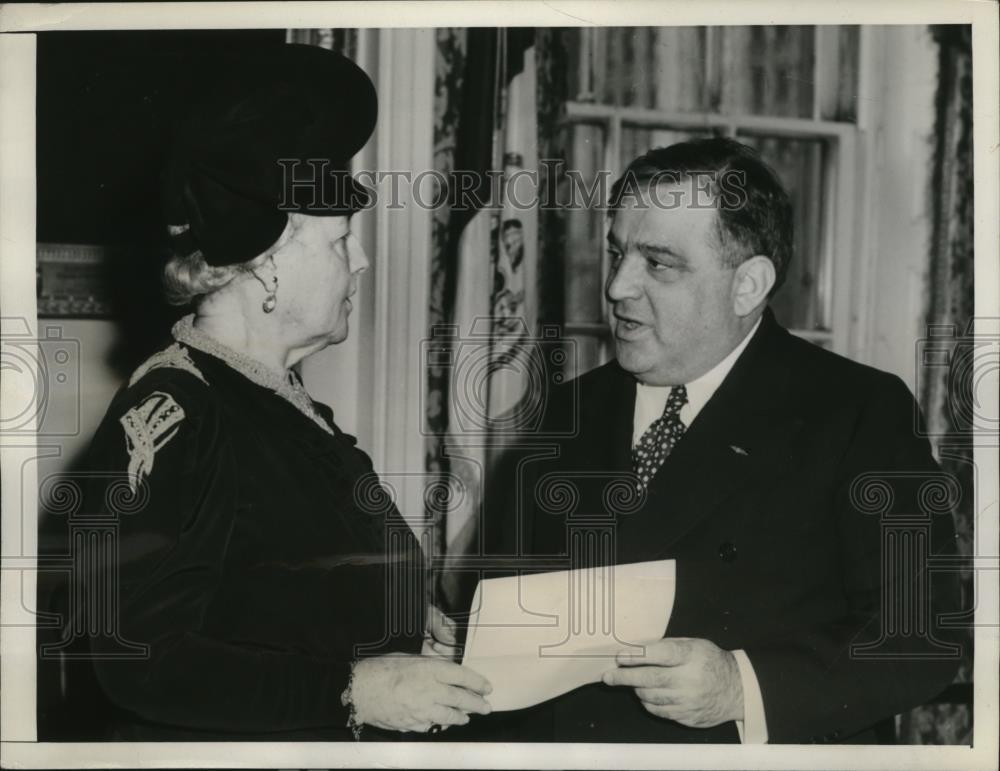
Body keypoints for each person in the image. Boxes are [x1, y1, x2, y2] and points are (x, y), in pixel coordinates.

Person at [75, 44, 491, 740]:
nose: (359, 262)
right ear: (265, 268)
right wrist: (354, 688)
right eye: (339, 242)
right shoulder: (178, 413)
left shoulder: (282, 406)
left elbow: (285, 601)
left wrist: (410, 638)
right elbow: (137, 658)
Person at [486, 137, 961, 743]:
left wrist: (741, 687)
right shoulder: (566, 409)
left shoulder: (857, 412)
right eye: (617, 254)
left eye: (658, 263)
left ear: (748, 285)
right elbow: (510, 608)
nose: (617, 288)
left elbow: (921, 640)